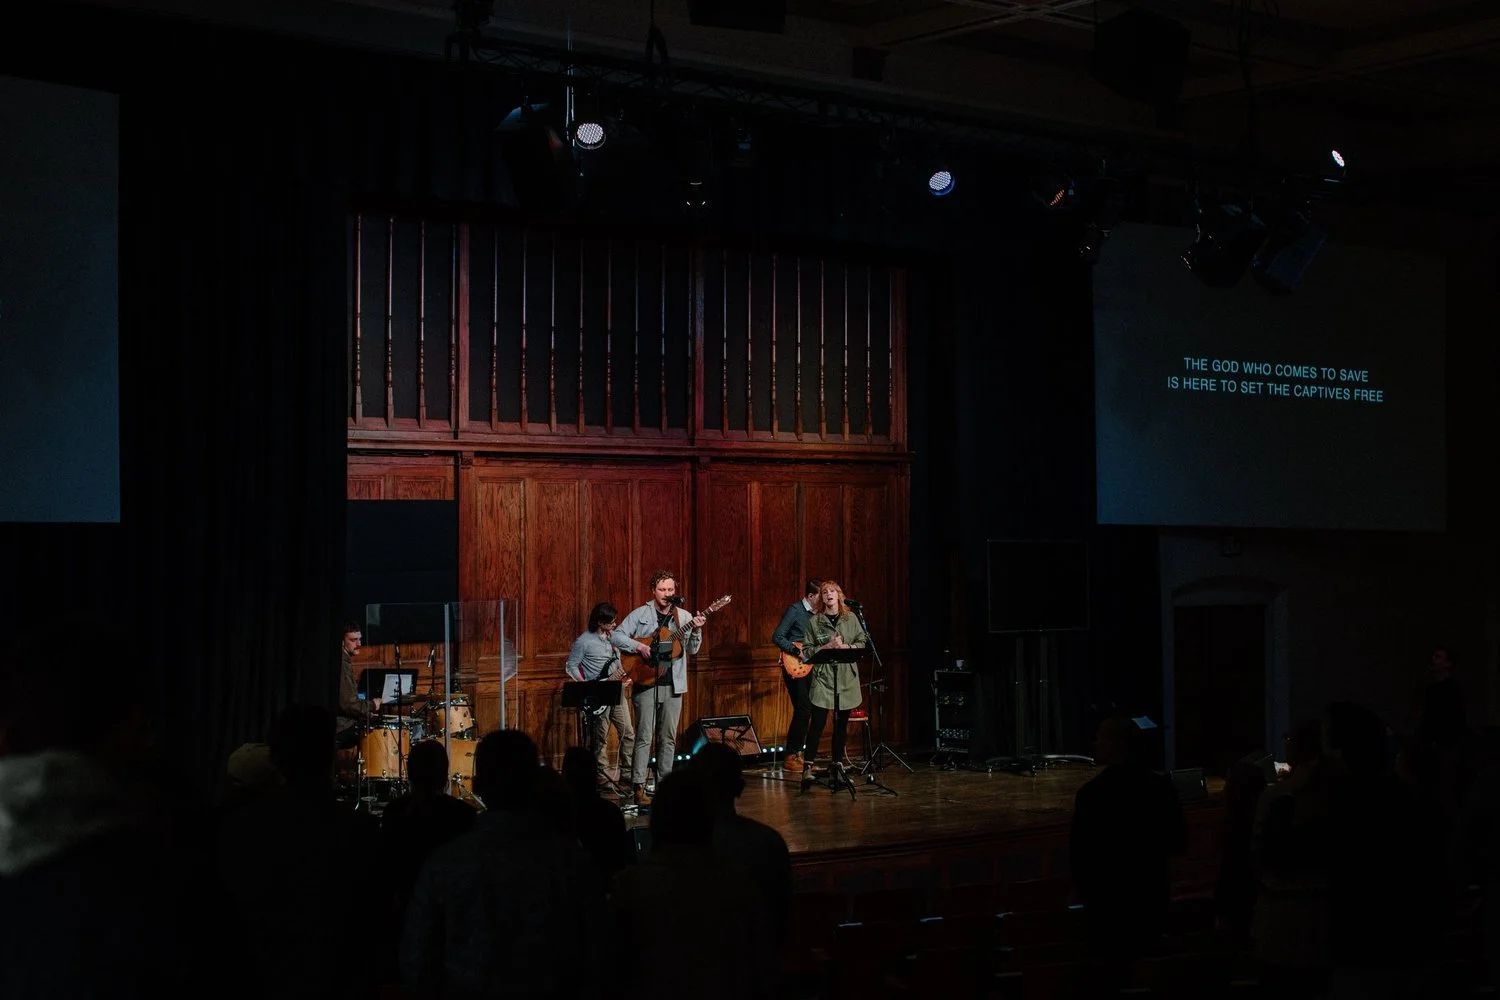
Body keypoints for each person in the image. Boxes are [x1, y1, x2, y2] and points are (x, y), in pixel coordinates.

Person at [610, 571, 707, 808]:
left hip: (674, 684)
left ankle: (666, 786)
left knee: (668, 738)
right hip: (646, 682)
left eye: (671, 590)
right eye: (662, 590)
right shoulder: (641, 614)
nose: (667, 594)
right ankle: (638, 786)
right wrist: (639, 647)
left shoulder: (682, 616)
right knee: (644, 736)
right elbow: (616, 636)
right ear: (653, 590)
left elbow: (692, 651)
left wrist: (696, 631)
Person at [564, 602, 635, 794]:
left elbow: (618, 663)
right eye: (610, 621)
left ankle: (627, 776)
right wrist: (585, 686)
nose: (614, 624)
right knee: (600, 738)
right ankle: (601, 778)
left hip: (616, 691)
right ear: (599, 622)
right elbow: (571, 665)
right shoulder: (583, 641)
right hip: (597, 695)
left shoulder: (614, 640)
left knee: (628, 733)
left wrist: (624, 678)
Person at [800, 580, 865, 777]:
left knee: (841, 725)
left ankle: (837, 764)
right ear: (821, 597)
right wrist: (826, 647)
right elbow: (806, 652)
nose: (829, 594)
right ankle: (807, 767)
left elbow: (862, 642)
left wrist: (848, 647)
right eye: (825, 592)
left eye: (832, 591)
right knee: (818, 723)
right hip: (823, 679)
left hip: (846, 679)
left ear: (839, 595)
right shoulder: (815, 621)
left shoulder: (851, 618)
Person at [771, 579, 822, 773]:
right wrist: (796, 651)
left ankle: (803, 757)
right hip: (796, 664)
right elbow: (777, 636)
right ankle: (791, 756)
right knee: (803, 709)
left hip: (812, 665)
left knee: (810, 710)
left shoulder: (818, 615)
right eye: (820, 595)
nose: (824, 599)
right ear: (810, 596)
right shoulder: (795, 610)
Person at [336, 622, 379, 750]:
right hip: (341, 727)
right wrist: (372, 705)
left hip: (342, 723)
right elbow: (348, 704)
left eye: (359, 639)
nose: (359, 644)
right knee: (378, 731)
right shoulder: (342, 665)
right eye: (354, 640)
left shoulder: (344, 661)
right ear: (342, 641)